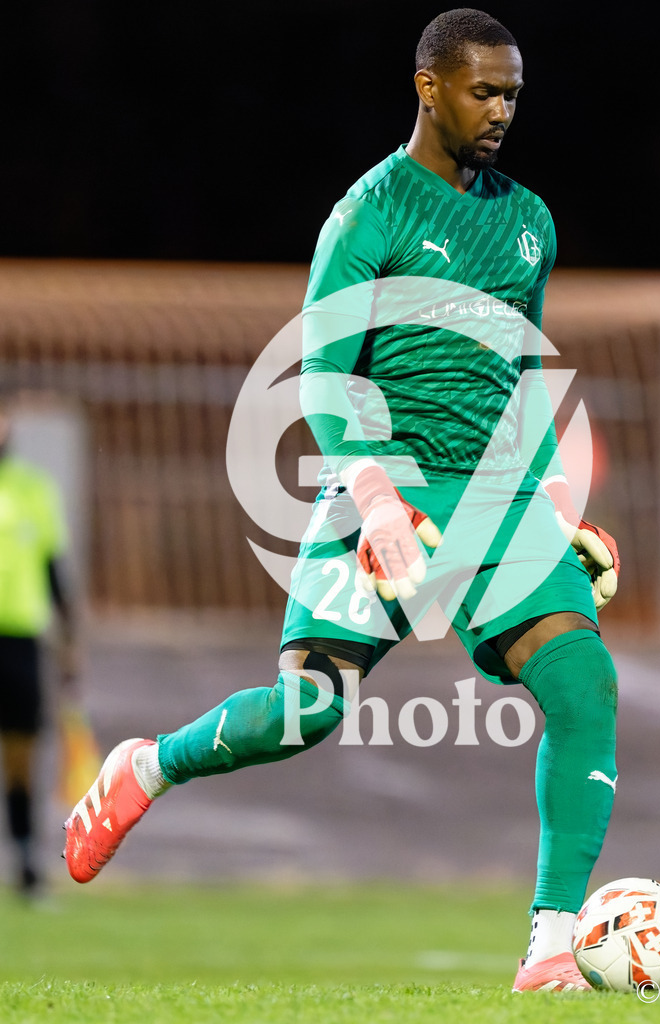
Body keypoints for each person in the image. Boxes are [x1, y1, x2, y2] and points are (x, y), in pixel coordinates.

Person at [64, 8, 620, 992]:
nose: (501, 111)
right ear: (429, 88)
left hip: (490, 499)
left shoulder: (530, 221)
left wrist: (548, 506)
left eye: (512, 95)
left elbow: (522, 378)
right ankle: (147, 766)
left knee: (583, 680)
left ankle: (552, 941)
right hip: (379, 480)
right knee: (305, 712)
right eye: (483, 92)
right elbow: (322, 374)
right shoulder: (370, 212)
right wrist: (374, 496)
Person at [0, 396, 78, 895]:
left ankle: (27, 859)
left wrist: (70, 640)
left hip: (20, 639)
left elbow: (54, 570)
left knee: (22, 752)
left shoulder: (33, 488)